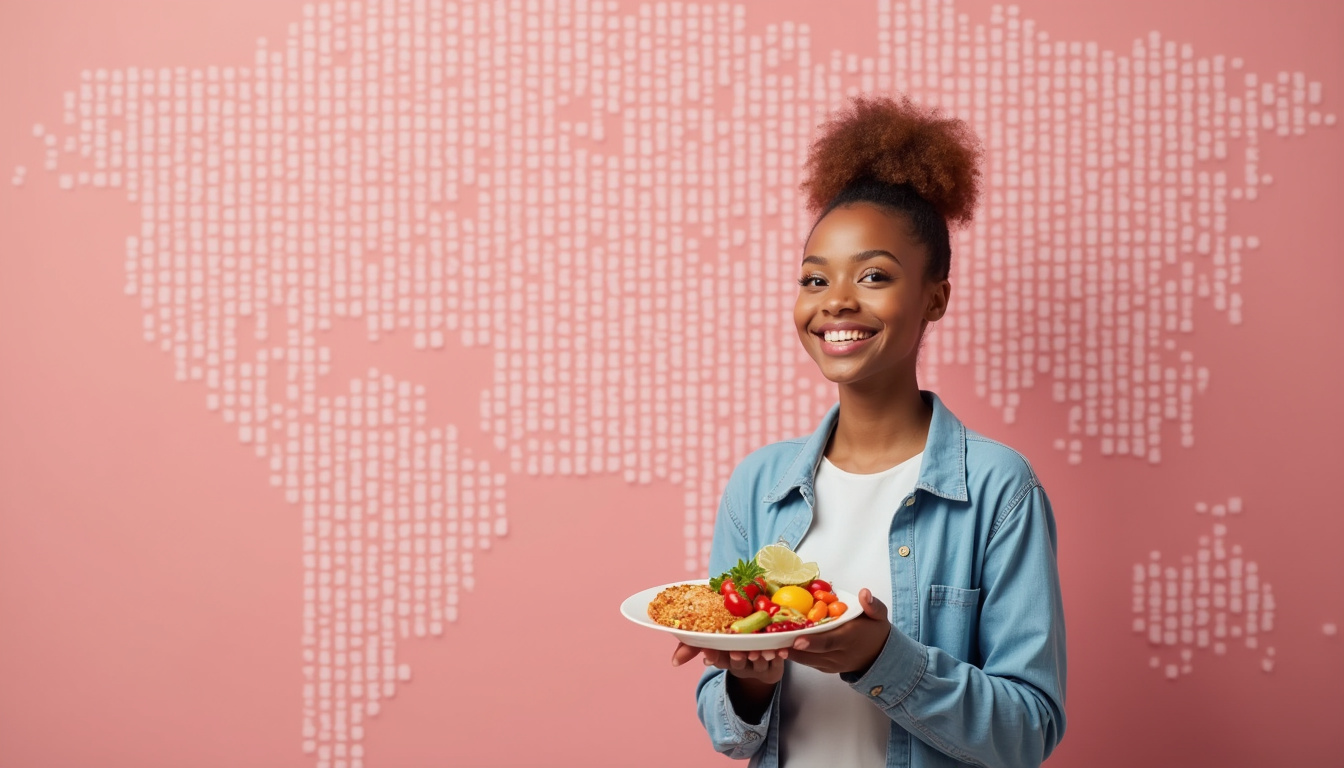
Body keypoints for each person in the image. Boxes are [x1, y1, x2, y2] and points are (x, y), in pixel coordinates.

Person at [670, 96, 1067, 768]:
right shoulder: (759, 485)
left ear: (935, 297)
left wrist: (882, 658)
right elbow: (728, 732)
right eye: (814, 279)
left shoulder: (999, 489)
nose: (836, 301)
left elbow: (1028, 731)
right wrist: (748, 678)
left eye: (874, 275)